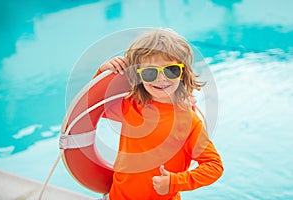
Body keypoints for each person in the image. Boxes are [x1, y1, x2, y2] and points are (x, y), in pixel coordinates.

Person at [94, 28, 223, 200]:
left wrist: (175, 182)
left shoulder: (188, 121)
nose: (161, 78)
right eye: (150, 73)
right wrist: (103, 73)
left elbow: (214, 166)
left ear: (182, 72)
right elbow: (95, 108)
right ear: (138, 76)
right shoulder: (131, 105)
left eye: (171, 70)